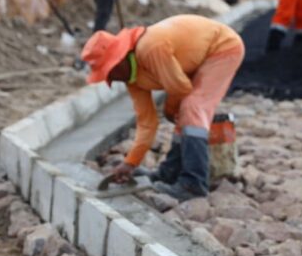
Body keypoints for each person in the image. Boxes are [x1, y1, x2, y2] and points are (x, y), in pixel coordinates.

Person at [80, 15, 245, 201]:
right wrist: (130, 163)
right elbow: (147, 122)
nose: (110, 79)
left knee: (192, 106)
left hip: (222, 48)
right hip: (195, 59)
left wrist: (169, 109)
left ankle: (194, 184)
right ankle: (170, 173)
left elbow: (180, 87)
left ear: (120, 59)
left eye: (109, 72)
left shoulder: (150, 48)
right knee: (182, 111)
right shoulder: (132, 79)